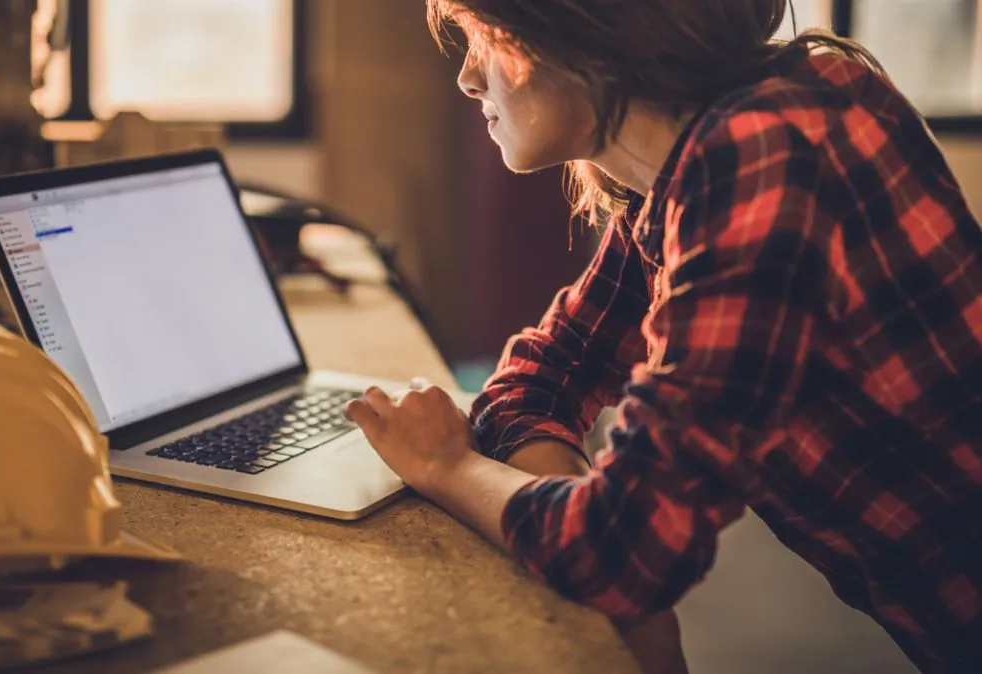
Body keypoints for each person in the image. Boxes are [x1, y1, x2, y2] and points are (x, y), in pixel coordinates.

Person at [343, 1, 982, 673]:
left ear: (586, 30)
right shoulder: (697, 161)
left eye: (486, 39)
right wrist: (624, 603)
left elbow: (626, 551)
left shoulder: (762, 158)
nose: (468, 79)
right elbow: (544, 375)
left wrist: (447, 467)